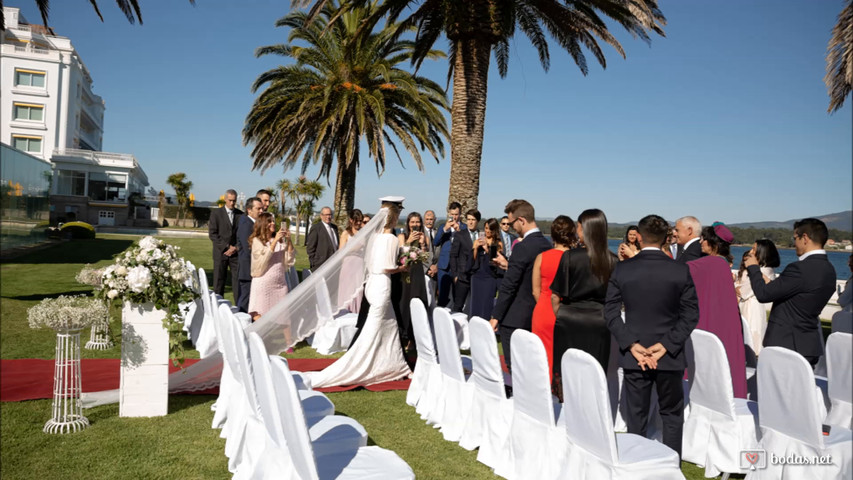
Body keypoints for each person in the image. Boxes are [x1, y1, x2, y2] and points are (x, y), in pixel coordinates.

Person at [605, 214, 699, 459]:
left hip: (636, 354)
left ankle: (637, 465)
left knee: (636, 416)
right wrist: (665, 346)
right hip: (669, 355)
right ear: (666, 238)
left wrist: (632, 345)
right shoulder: (680, 270)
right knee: (671, 415)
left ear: (640, 236)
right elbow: (691, 315)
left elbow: (611, 314)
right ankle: (671, 467)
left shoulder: (623, 269)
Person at [306, 199, 412, 388]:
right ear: (394, 219)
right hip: (382, 285)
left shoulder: (372, 237)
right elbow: (388, 266)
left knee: (391, 326)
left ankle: (397, 364)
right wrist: (403, 268)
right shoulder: (391, 239)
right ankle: (359, 365)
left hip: (371, 284)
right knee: (372, 331)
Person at [744, 218, 837, 368]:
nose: (794, 243)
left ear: (805, 238)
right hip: (808, 344)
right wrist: (772, 284)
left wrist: (754, 268)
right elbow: (801, 294)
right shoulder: (829, 270)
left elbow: (763, 295)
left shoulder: (799, 268)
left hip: (786, 344)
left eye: (795, 238)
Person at [551, 210, 617, 398]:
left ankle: (566, 408)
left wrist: (562, 315)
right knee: (595, 372)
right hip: (599, 322)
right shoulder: (613, 260)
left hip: (569, 320)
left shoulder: (570, 257)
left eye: (578, 226)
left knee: (568, 371)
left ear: (584, 229)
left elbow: (555, 296)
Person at [489, 199, 551, 372]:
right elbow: (532, 273)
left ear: (521, 220)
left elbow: (510, 285)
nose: (512, 227)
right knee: (535, 367)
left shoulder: (522, 247)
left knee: (516, 368)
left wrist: (496, 316)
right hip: (537, 314)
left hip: (515, 318)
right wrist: (509, 265)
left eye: (512, 223)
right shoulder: (547, 245)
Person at [686, 223, 747, 398]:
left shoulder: (705, 264)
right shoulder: (723, 265)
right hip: (727, 323)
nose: (701, 242)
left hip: (707, 322)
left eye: (704, 239)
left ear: (713, 242)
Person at [530, 215, 575, 383]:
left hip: (542, 310)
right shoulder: (574, 259)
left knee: (541, 357)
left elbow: (535, 290)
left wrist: (543, 304)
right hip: (565, 311)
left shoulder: (542, 257)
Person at [247, 212, 296, 320]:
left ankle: (289, 338)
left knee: (284, 316)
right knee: (260, 315)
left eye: (273, 221)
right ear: (263, 224)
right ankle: (262, 337)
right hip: (263, 283)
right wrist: (274, 242)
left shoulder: (280, 241)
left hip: (280, 284)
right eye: (270, 221)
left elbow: (289, 260)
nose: (273, 223)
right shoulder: (257, 241)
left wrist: (288, 240)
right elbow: (263, 259)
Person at [736, 239, 780, 353]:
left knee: (750, 337)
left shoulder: (764, 271)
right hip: (746, 305)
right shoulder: (760, 269)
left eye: (754, 249)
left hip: (751, 309)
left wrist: (736, 288)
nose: (751, 251)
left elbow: (743, 291)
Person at [397, 212, 429, 352]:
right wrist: (409, 241)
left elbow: (425, 258)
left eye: (417, 222)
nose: (415, 225)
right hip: (406, 272)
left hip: (418, 273)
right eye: (412, 222)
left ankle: (414, 338)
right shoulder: (402, 236)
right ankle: (403, 336)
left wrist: (423, 245)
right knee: (405, 302)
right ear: (408, 223)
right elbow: (399, 255)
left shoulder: (424, 237)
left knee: (418, 301)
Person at [208, 189, 242, 297]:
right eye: (230, 200)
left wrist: (235, 248)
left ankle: (239, 309)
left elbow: (243, 235)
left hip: (235, 255)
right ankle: (217, 308)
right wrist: (227, 247)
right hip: (220, 253)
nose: (232, 203)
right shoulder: (216, 214)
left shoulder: (240, 215)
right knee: (218, 283)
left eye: (234, 201)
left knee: (237, 283)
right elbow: (213, 234)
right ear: (225, 199)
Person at [470, 218, 505, 321]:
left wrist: (486, 248)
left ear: (495, 230)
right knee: (475, 306)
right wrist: (475, 248)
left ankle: (485, 331)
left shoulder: (498, 244)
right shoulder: (478, 241)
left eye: (490, 229)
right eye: (486, 228)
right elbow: (472, 261)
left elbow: (494, 262)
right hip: (477, 277)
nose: (487, 231)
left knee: (486, 307)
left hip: (489, 278)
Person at [236, 197, 264, 313]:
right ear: (249, 210)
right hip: (247, 269)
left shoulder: (254, 224)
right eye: (258, 209)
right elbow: (249, 249)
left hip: (252, 268)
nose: (261, 211)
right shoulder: (246, 225)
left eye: (262, 208)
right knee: (245, 300)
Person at [434, 202, 464, 308]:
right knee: (442, 297)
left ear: (460, 214)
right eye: (452, 214)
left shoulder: (464, 228)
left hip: (458, 267)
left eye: (456, 214)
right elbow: (435, 242)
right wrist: (445, 229)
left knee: (458, 297)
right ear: (448, 214)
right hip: (444, 266)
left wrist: (459, 231)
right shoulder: (443, 226)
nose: (454, 217)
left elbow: (467, 245)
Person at [450, 209, 480, 313]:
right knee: (458, 305)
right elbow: (453, 255)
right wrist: (455, 275)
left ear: (478, 221)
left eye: (473, 219)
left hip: (477, 276)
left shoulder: (482, 236)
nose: (470, 222)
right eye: (468, 219)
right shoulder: (460, 235)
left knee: (476, 305)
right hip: (462, 276)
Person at [337, 209, 365, 313]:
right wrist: (353, 248)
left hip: (359, 267)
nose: (358, 223)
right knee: (347, 292)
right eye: (356, 220)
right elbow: (340, 252)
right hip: (348, 267)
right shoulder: (346, 233)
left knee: (358, 291)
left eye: (360, 220)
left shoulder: (364, 233)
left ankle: (357, 312)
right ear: (351, 220)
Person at [306, 206, 338, 271]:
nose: (328, 217)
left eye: (330, 214)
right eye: (326, 215)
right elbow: (310, 248)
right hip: (320, 265)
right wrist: (314, 262)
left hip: (334, 265)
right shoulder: (316, 228)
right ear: (321, 216)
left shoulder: (335, 228)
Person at [422, 210, 439, 307]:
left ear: (435, 220)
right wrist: (429, 267)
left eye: (431, 219)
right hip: (425, 271)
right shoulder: (420, 233)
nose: (429, 221)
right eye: (427, 219)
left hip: (436, 271)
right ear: (424, 220)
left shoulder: (438, 233)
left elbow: (442, 252)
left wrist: (436, 266)